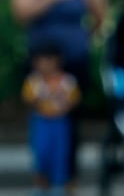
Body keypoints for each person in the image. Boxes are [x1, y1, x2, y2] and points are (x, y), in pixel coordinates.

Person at [9, 0, 108, 190]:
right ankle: (42, 177)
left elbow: (100, 16)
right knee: (42, 123)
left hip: (74, 65)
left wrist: (83, 39)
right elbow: (20, 12)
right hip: (40, 66)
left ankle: (69, 181)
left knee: (71, 128)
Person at [22, 42, 80, 194]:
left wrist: (62, 104)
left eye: (49, 60)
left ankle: (59, 186)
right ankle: (40, 185)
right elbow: (28, 99)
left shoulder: (67, 81)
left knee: (60, 154)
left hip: (60, 123)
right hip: (41, 122)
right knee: (40, 153)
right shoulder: (34, 81)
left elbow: (74, 99)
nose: (45, 65)